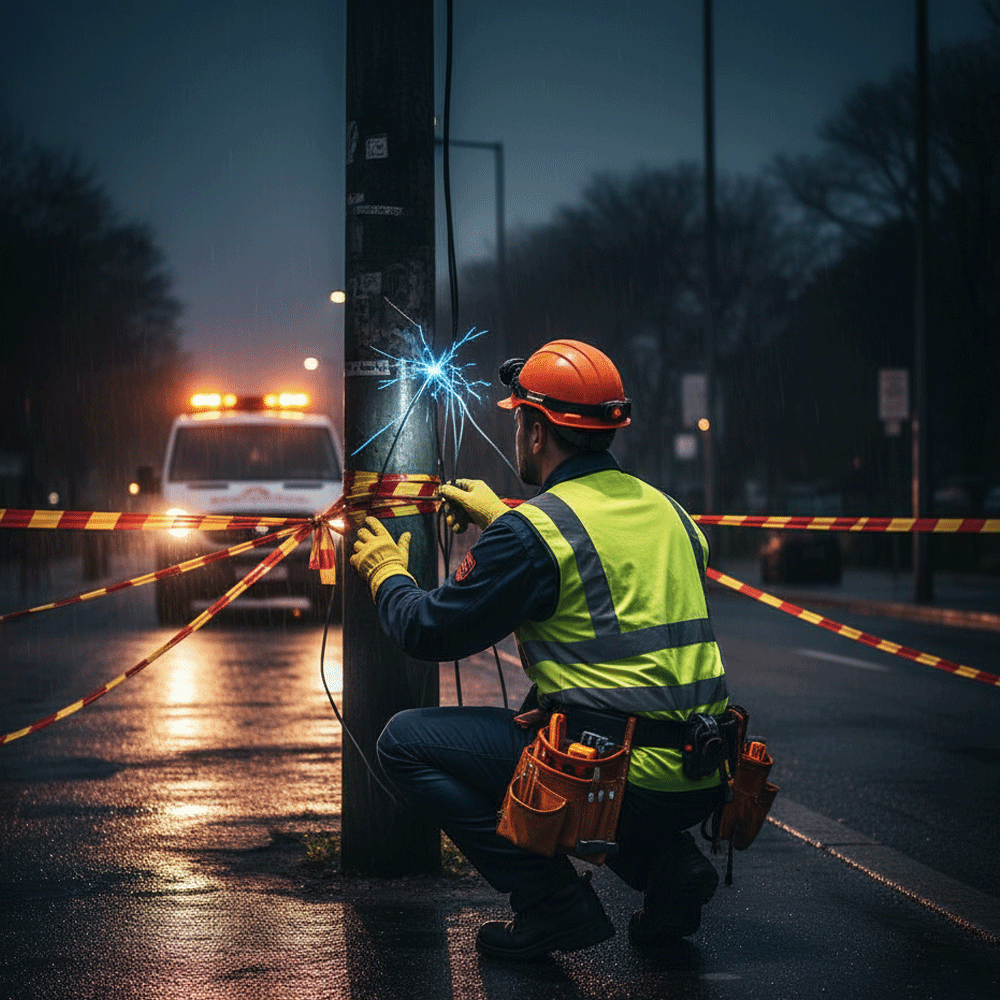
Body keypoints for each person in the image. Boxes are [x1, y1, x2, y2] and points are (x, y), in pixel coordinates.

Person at [350, 339, 730, 961]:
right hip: (700, 772)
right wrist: (503, 519)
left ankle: (551, 905)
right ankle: (669, 865)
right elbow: (606, 581)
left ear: (532, 429)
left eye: (518, 418)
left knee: (405, 743)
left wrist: (388, 573)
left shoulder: (536, 534)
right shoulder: (671, 513)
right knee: (571, 737)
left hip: (614, 775)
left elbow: (429, 631)